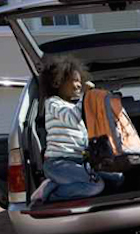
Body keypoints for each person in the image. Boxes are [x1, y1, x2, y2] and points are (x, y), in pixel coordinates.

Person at [30, 55, 105, 204]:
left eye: (80, 81)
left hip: (78, 161)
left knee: (116, 177)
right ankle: (49, 192)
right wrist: (85, 95)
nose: (78, 85)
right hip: (58, 163)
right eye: (74, 81)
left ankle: (60, 184)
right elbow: (72, 118)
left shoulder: (74, 106)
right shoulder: (53, 103)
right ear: (57, 82)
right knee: (95, 186)